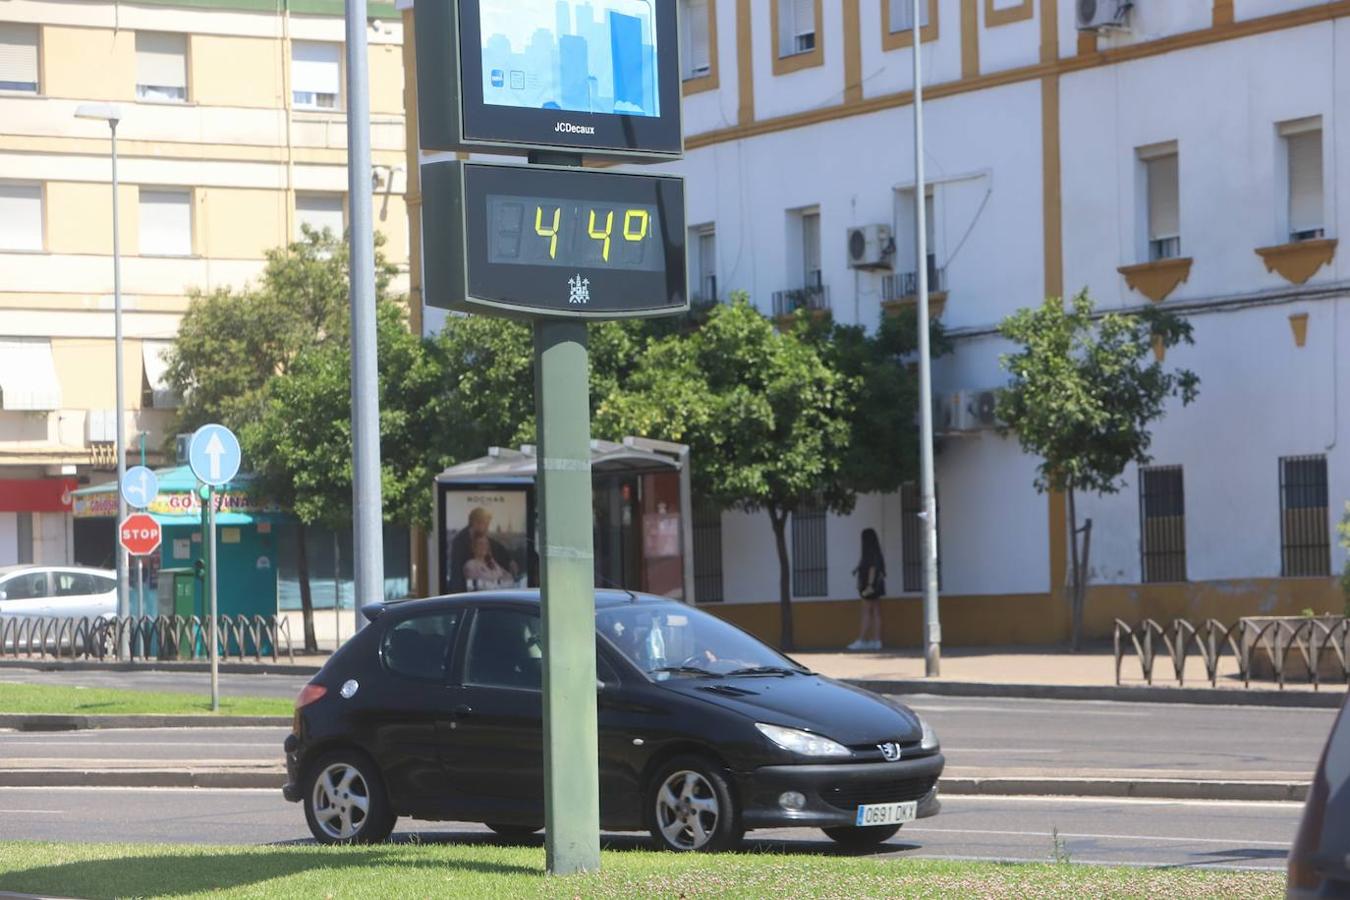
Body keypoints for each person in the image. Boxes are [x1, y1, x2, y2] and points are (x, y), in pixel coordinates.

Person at [447, 507, 517, 593]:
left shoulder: (483, 538)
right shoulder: (460, 542)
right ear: (475, 522)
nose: (487, 528)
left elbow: (498, 548)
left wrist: (509, 560)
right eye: (486, 524)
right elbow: (457, 574)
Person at [847, 528, 887, 651]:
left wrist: (869, 585)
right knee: (876, 612)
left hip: (869, 586)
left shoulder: (868, 554)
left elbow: (872, 569)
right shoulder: (877, 553)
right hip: (877, 586)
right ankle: (876, 641)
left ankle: (862, 639)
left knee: (866, 613)